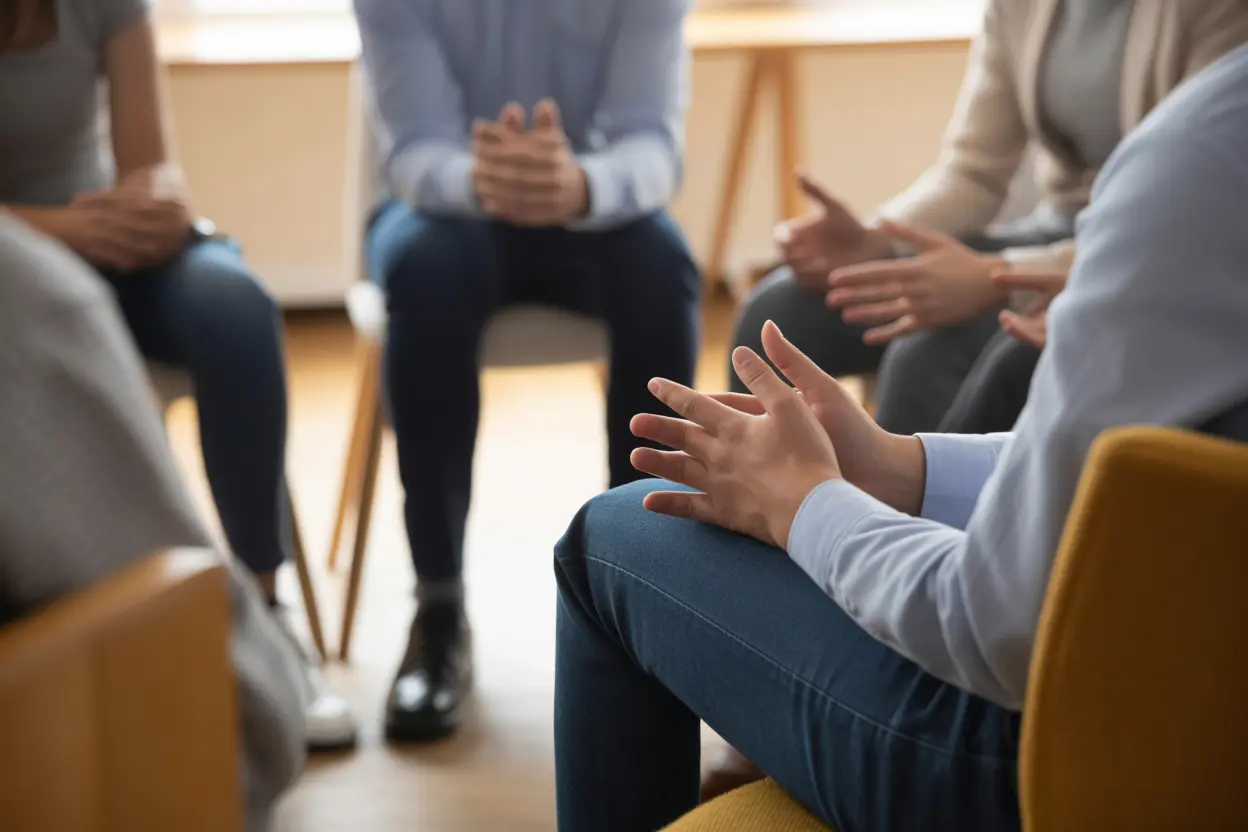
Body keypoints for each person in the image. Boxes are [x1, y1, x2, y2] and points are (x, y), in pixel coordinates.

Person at [552, 41, 1248, 832]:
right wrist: (902, 468)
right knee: (809, 322)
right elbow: (1161, 468)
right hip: (1196, 708)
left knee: (608, 537)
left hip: (1056, 765)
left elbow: (989, 627)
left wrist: (807, 505)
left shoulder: (1202, 154)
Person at [0, 0, 357, 749]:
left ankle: (265, 610)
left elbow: (150, 162)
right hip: (21, 276)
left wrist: (159, 200)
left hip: (109, 238)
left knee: (235, 307)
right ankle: (98, 628)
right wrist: (69, 230)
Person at [353, 0, 700, 742]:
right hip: (445, 211)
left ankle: (645, 592)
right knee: (426, 269)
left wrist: (579, 184)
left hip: (587, 207)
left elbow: (651, 144)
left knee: (663, 268)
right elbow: (411, 147)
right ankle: (438, 607)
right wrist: (486, 178)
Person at [730, 0, 1248, 436]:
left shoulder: (1219, 10)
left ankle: (900, 545)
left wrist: (997, 280)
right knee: (777, 309)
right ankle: (746, 525)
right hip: (1059, 227)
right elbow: (973, 172)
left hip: (1153, 246)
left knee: (926, 356)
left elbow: (1187, 215)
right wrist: (879, 239)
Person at [0, 215, 305, 832]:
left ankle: (272, 598)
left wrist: (140, 211)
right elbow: (249, 730)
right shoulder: (23, 300)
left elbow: (158, 176)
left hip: (118, 243)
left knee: (236, 307)